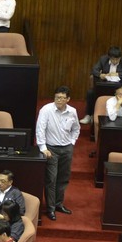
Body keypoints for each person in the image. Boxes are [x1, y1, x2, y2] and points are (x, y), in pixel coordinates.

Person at [36, 86, 80, 220]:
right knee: (51, 179)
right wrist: (43, 147)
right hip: (51, 149)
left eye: (62, 98)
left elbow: (76, 128)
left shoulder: (72, 111)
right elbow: (40, 129)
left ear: (68, 99)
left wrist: (72, 142)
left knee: (63, 178)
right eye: (57, 97)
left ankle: (58, 204)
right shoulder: (46, 110)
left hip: (67, 149)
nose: (59, 100)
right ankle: (50, 209)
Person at [82, 45, 122, 124]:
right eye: (113, 59)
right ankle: (89, 115)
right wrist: (100, 75)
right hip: (104, 86)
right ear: (109, 57)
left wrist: (117, 74)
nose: (115, 61)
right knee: (90, 93)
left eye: (117, 59)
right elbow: (94, 70)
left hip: (119, 88)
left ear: (120, 57)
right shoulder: (103, 59)